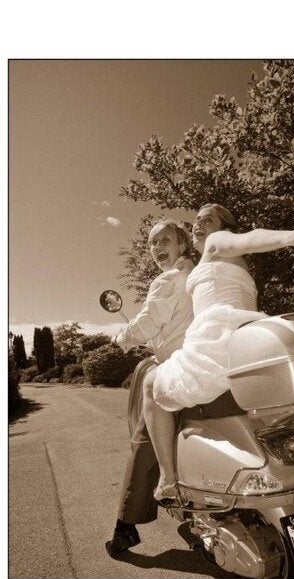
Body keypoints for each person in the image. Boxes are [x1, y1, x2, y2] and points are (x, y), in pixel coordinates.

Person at [143, 203, 294, 500]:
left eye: (208, 220)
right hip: (244, 345)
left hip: (214, 348)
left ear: (225, 228)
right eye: (196, 220)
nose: (199, 224)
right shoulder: (232, 263)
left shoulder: (216, 245)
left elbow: (252, 236)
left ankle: (168, 479)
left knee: (149, 384)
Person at [106, 219, 194, 556]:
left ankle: (125, 526)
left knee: (143, 440)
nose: (157, 248)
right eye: (152, 243)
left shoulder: (168, 279)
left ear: (182, 244)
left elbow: (149, 321)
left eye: (165, 241)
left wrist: (124, 337)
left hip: (174, 367)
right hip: (205, 362)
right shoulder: (196, 275)